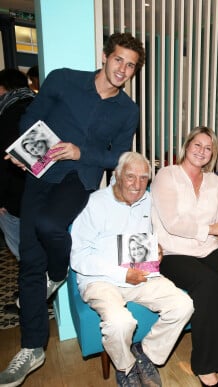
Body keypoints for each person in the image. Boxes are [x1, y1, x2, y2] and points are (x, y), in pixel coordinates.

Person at [0, 32, 145, 387]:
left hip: (78, 179)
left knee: (51, 225)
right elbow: (30, 117)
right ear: (105, 56)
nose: (123, 69)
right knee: (30, 261)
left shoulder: (128, 110)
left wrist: (83, 152)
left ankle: (59, 270)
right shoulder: (63, 78)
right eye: (118, 60)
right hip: (40, 173)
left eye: (130, 65)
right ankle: (32, 348)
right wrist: (25, 152)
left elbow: (121, 156)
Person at [69, 152, 193, 387]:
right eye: (130, 177)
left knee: (183, 305)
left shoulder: (147, 200)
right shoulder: (94, 203)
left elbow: (146, 239)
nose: (137, 185)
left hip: (139, 273)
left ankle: (146, 355)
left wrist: (156, 250)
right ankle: (126, 368)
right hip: (100, 280)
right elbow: (79, 256)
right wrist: (121, 274)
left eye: (143, 178)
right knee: (119, 323)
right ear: (117, 175)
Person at [150, 126, 218, 387]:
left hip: (209, 249)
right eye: (197, 145)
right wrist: (210, 229)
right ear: (187, 145)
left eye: (208, 148)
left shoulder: (214, 181)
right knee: (206, 283)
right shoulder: (166, 176)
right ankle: (204, 367)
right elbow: (172, 223)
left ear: (213, 154)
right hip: (174, 252)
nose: (202, 151)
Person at [0, 68, 36, 260]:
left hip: (15, 196)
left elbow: (4, 162)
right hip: (41, 193)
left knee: (23, 251)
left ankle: (34, 286)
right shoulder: (39, 107)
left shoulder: (8, 114)